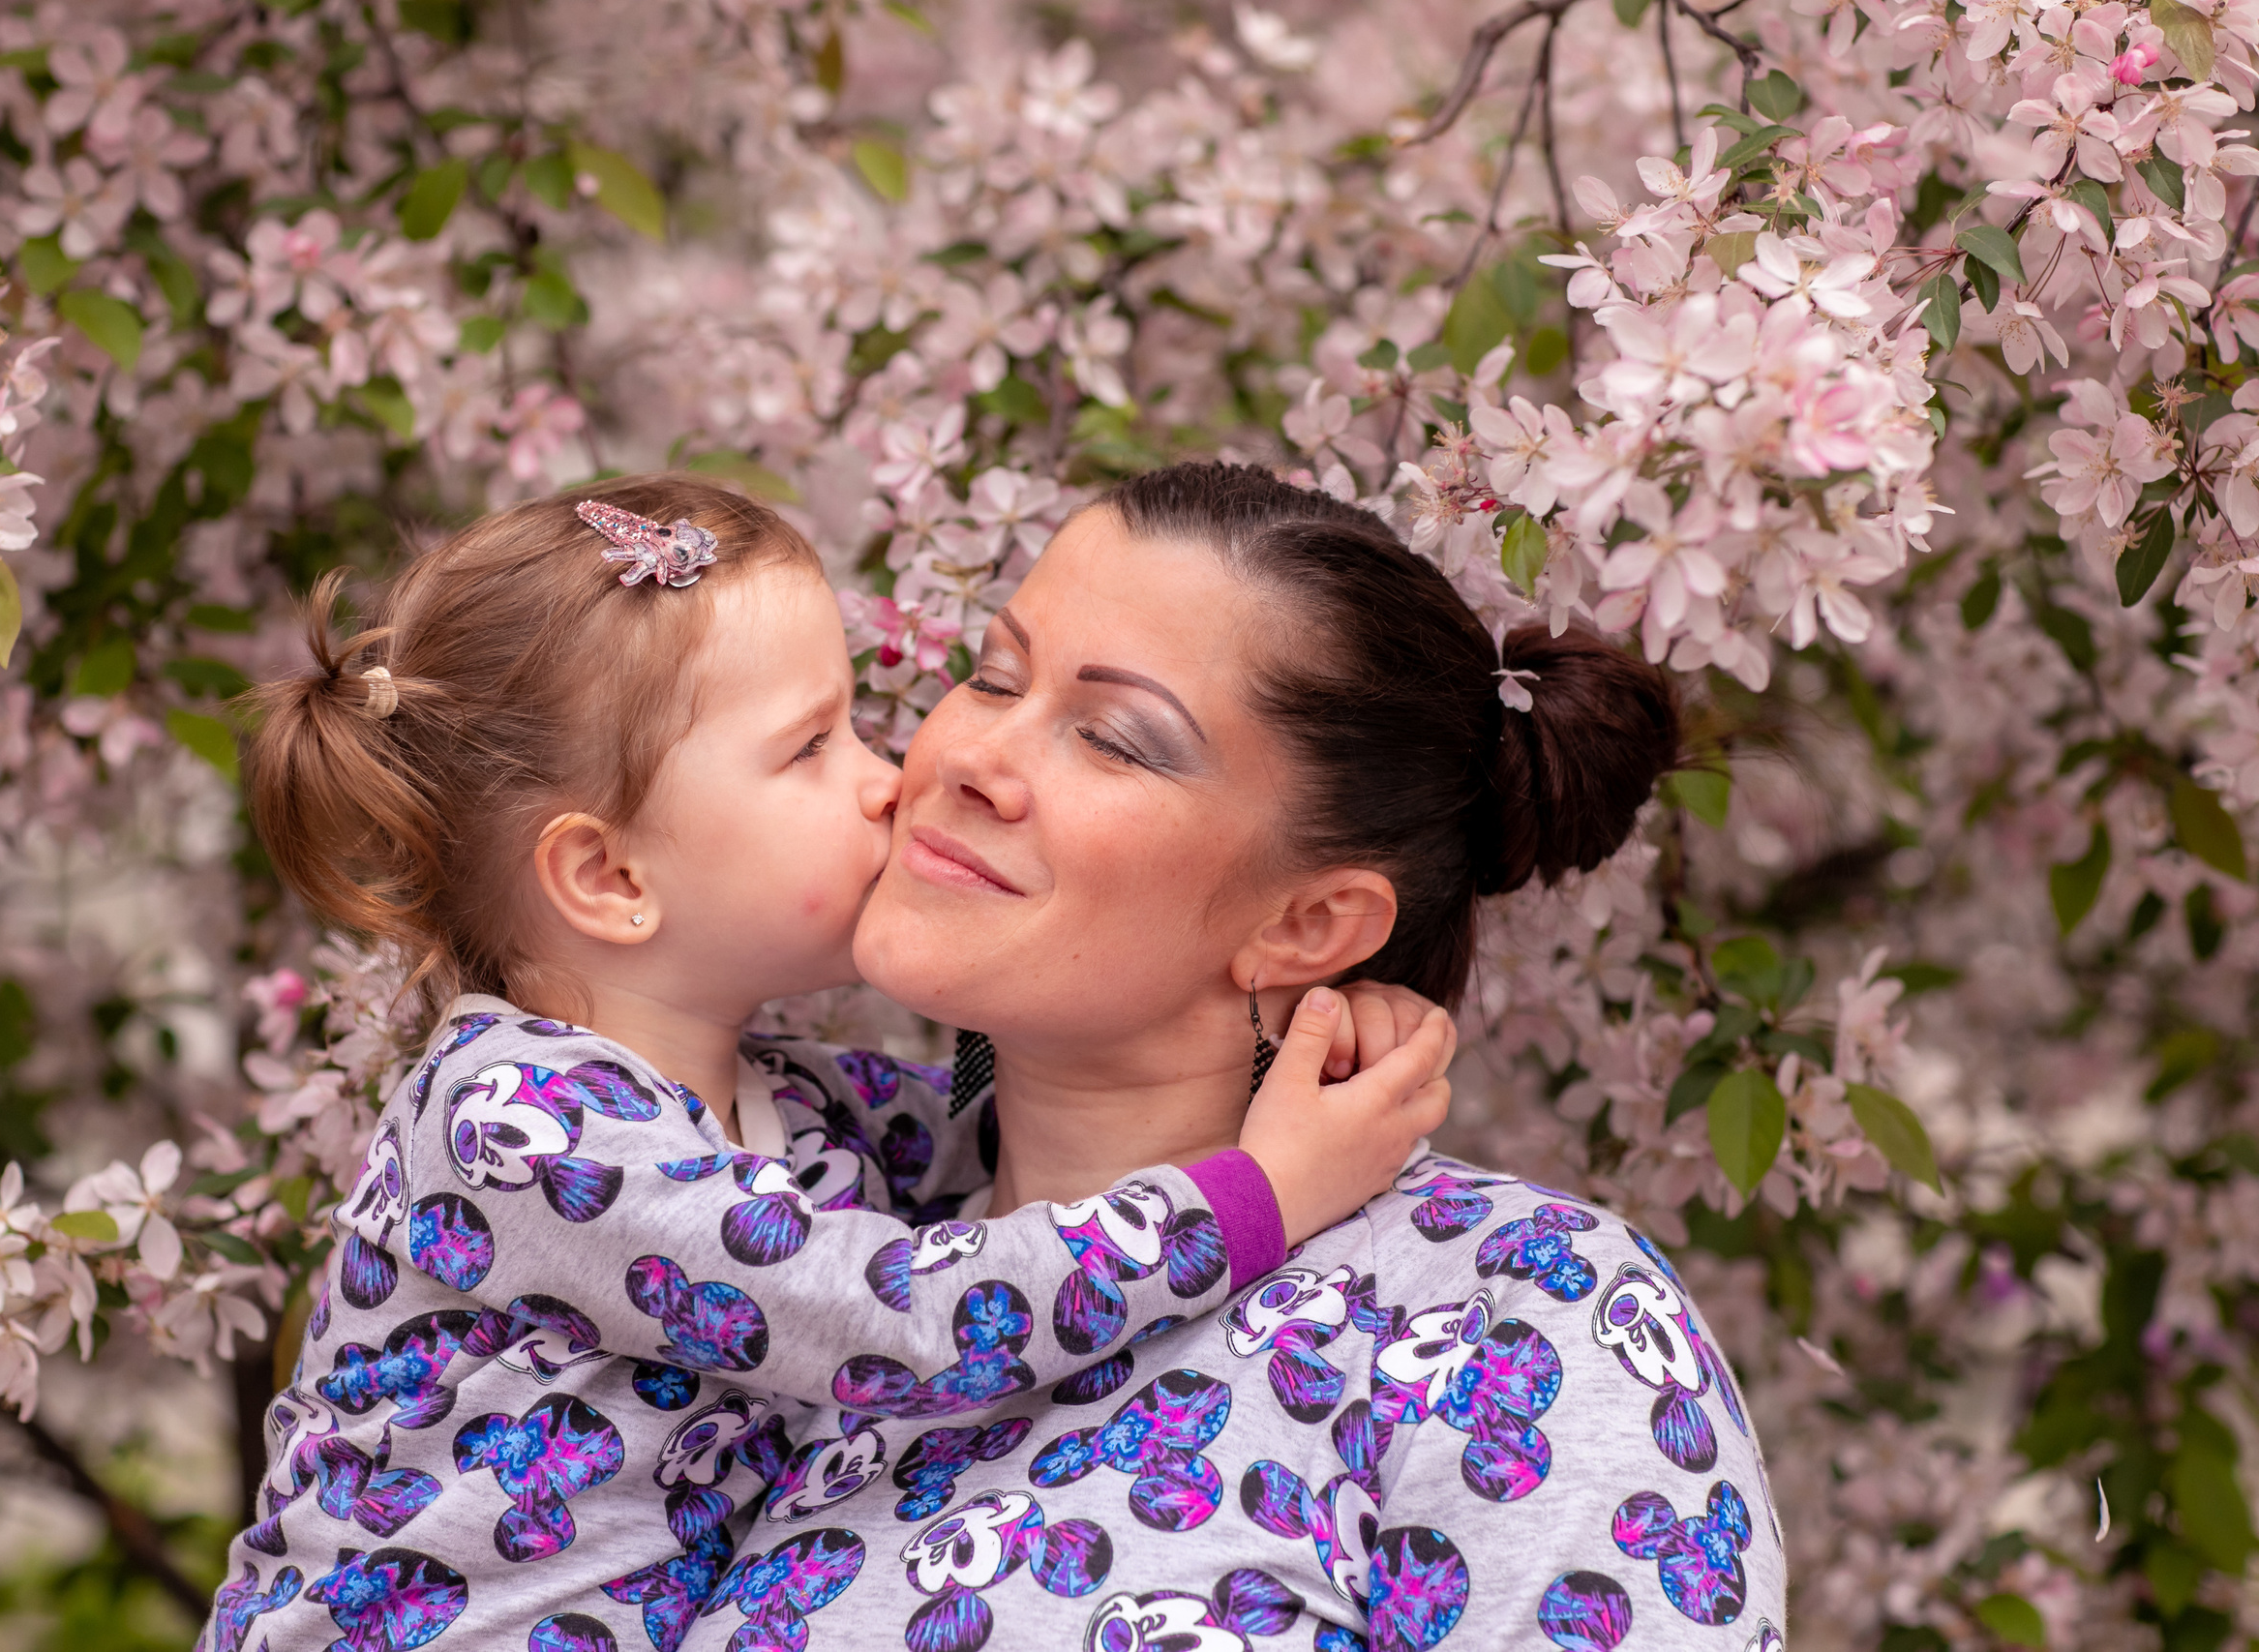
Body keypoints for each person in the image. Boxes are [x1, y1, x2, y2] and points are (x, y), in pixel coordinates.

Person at [196, 475, 1456, 1652]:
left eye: (857, 727)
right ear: (610, 876)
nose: (893, 776)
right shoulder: (519, 1124)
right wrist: (1266, 1185)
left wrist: (1325, 1032)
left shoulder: (791, 1106)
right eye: (811, 748)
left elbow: (1058, 1127)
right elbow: (914, 1312)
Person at [674, 463, 1785, 1652]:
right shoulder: (795, 1227)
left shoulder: (1514, 1318)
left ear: (1305, 925)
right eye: (992, 676)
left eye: (1112, 739)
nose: (967, 758)